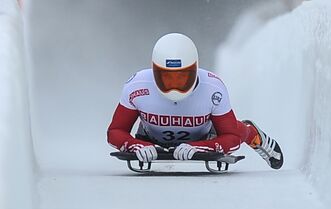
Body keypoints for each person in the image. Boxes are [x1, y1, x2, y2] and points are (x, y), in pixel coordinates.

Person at [107, 33, 284, 170]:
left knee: (237, 130)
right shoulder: (136, 86)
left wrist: (202, 147)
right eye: (167, 77)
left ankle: (252, 133)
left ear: (195, 70)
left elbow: (231, 137)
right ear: (155, 72)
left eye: (182, 77)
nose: (174, 87)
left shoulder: (213, 88)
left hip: (203, 137)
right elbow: (115, 131)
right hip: (151, 139)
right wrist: (136, 145)